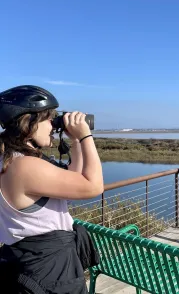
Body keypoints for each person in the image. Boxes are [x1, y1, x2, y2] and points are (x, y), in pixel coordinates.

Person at [0, 85, 103, 293]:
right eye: (49, 118)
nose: (54, 126)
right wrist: (85, 136)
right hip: (49, 274)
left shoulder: (9, 160)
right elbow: (94, 186)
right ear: (28, 122)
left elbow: (73, 180)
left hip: (31, 266)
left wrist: (74, 141)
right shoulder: (25, 166)